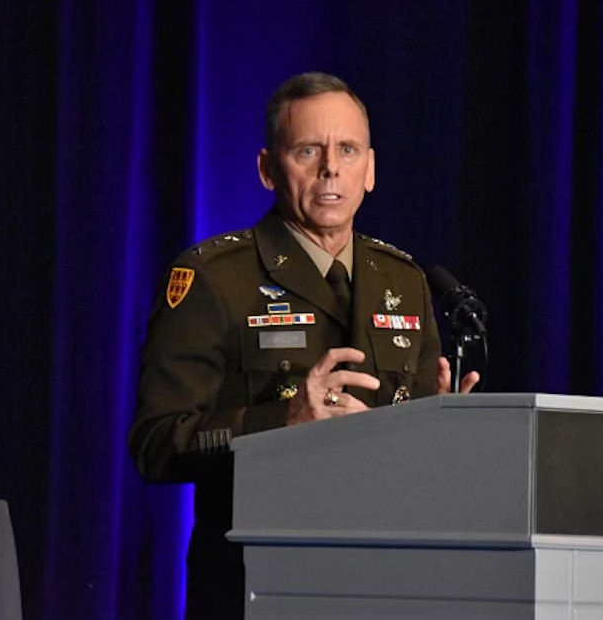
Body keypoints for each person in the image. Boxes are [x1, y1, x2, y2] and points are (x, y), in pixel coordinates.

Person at [127, 72, 480, 619]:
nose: (330, 168)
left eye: (347, 150)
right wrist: (281, 424)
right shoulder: (215, 279)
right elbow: (155, 444)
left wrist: (443, 429)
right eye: (308, 150)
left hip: (386, 582)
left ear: (370, 170)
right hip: (257, 584)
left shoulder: (405, 279)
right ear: (269, 169)